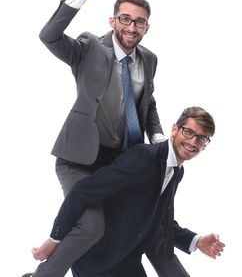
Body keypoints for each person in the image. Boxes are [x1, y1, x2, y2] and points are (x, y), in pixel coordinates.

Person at [24, 0, 165, 277]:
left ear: (146, 28)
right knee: (90, 227)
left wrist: (157, 137)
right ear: (113, 20)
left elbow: (147, 101)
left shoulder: (149, 60)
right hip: (79, 158)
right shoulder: (89, 47)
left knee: (117, 232)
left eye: (139, 22)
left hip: (120, 164)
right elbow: (49, 36)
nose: (131, 27)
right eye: (125, 19)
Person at [25, 107, 225, 277]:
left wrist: (196, 241)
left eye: (202, 139)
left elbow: (159, 220)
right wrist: (55, 239)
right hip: (97, 259)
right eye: (189, 132)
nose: (193, 142)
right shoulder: (144, 157)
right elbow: (83, 191)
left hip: (126, 259)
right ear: (175, 129)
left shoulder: (176, 172)